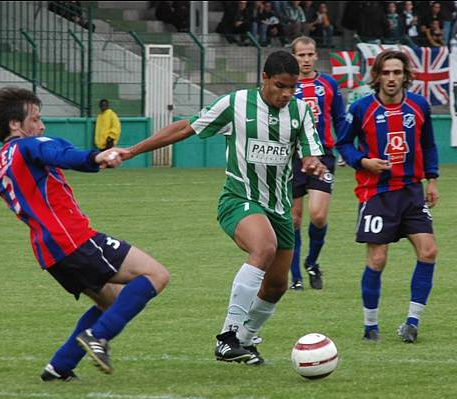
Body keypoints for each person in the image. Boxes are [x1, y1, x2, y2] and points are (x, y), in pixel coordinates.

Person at [120, 50, 327, 364]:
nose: (287, 94)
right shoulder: (235, 104)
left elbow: (312, 152)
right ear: (265, 79)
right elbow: (184, 128)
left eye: (292, 88)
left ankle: (244, 340)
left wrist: (312, 162)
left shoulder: (301, 111)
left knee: (276, 286)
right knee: (264, 247)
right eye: (281, 86)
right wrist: (133, 151)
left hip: (279, 207)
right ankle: (228, 336)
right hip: (239, 199)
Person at [0, 87, 169, 380]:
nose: (41, 126)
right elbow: (58, 152)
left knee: (110, 301)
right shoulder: (26, 147)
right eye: (35, 119)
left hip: (49, 253)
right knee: (156, 275)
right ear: (14, 125)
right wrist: (97, 157)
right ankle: (99, 336)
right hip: (72, 239)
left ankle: (59, 367)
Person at [336, 50, 439, 344]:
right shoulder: (361, 109)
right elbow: (344, 143)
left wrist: (431, 179)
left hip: (411, 192)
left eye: (397, 73)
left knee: (429, 251)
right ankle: (371, 326)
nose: (391, 79)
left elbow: (429, 145)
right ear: (377, 76)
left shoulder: (419, 106)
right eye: (386, 73)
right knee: (378, 259)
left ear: (405, 76)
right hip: (377, 193)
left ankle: (412, 322)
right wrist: (363, 161)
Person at [288, 36, 345, 291]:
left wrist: (346, 148)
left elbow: (340, 119)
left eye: (310, 54)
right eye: (301, 55)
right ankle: (296, 277)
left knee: (318, 216)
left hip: (323, 156)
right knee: (294, 220)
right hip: (292, 158)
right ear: (294, 57)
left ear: (316, 55)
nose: (307, 59)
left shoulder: (329, 84)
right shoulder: (286, 84)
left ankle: (312, 262)